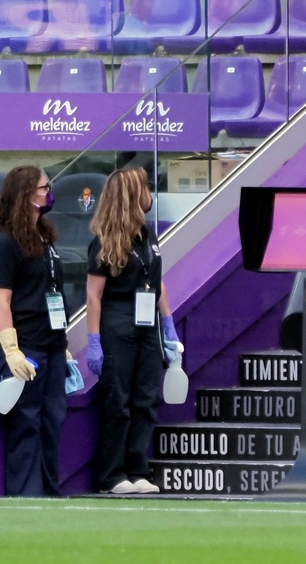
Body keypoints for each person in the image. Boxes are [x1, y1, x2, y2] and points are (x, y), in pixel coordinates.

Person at [86, 168, 181, 495]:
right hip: (117, 323)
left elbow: (157, 282)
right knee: (119, 402)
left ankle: (138, 470)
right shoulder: (104, 240)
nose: (150, 192)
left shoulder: (148, 235)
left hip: (147, 326)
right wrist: (94, 340)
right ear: (131, 194)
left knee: (145, 398)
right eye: (145, 187)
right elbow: (93, 295)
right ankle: (113, 475)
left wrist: (169, 325)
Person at [0, 166, 68, 496]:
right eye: (44, 188)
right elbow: (3, 299)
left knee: (52, 421)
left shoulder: (45, 237)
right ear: (27, 195)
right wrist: (11, 349)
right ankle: (27, 494)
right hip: (27, 346)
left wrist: (63, 343)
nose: (48, 192)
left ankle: (49, 491)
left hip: (53, 344)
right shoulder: (6, 242)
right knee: (26, 422)